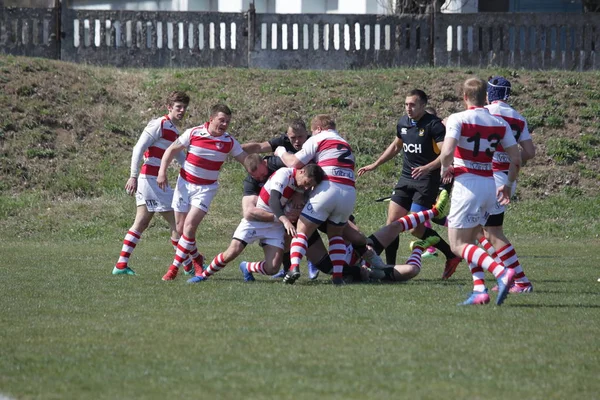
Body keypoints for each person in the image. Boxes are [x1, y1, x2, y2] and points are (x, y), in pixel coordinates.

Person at [357, 89, 461, 279]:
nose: (408, 108)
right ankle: (388, 268)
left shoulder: (434, 126)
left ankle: (450, 254)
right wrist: (375, 164)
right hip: (406, 179)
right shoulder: (403, 123)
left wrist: (427, 168)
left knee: (415, 229)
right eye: (406, 104)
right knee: (392, 224)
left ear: (423, 105)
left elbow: (445, 155)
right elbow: (396, 146)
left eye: (412, 104)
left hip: (426, 182)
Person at [439, 77, 522, 306]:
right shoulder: (499, 122)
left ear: (464, 97)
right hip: (489, 184)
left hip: (468, 185)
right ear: (486, 97)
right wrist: (506, 184)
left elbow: (446, 153)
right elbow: (516, 159)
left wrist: (446, 167)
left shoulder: (458, 118)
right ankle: (479, 290)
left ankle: (501, 272)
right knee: (473, 237)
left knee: (457, 245)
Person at [275, 114, 385, 285]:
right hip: (348, 193)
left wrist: (281, 151)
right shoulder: (345, 143)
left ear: (318, 128)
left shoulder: (319, 138)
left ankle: (293, 268)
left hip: (328, 189)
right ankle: (338, 277)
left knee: (302, 230)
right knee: (336, 235)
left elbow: (294, 163)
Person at [157, 104, 251, 282]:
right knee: (180, 228)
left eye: (228, 122)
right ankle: (197, 258)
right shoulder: (194, 133)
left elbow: (245, 160)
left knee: (189, 226)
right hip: (184, 184)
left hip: (205, 189)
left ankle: (173, 269)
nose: (224, 124)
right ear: (211, 119)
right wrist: (162, 172)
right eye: (221, 120)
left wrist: (259, 175)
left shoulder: (228, 141)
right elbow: (171, 150)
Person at [191, 162, 325, 282]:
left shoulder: (299, 185)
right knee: (232, 252)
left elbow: (300, 192)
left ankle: (247, 267)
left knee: (272, 268)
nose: (306, 187)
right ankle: (203, 275)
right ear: (301, 172)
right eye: (307, 183)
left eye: (310, 186)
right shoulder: (284, 174)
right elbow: (273, 201)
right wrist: (285, 220)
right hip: (258, 220)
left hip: (275, 226)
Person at [112, 91, 196, 276]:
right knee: (177, 224)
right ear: (169, 107)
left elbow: (181, 158)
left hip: (150, 181)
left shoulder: (173, 130)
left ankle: (120, 265)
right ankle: (190, 267)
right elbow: (138, 148)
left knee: (141, 223)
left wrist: (197, 175)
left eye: (184, 108)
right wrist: (132, 175)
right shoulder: (159, 124)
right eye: (178, 107)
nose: (182, 111)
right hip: (151, 180)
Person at [241, 120, 320, 280]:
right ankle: (287, 267)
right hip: (282, 200)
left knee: (307, 222)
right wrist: (234, 148)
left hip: (307, 188)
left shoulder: (312, 144)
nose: (296, 141)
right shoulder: (279, 146)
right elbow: (258, 147)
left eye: (300, 137)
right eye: (292, 137)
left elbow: (300, 169)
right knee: (286, 230)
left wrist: (299, 191)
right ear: (286, 136)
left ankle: (313, 259)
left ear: (307, 135)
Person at [478, 76, 535, 293]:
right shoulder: (518, 117)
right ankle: (504, 273)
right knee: (477, 230)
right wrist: (510, 157)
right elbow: (529, 152)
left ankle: (520, 281)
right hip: (506, 177)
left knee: (492, 232)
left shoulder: (486, 113)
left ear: (489, 94)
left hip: (490, 178)